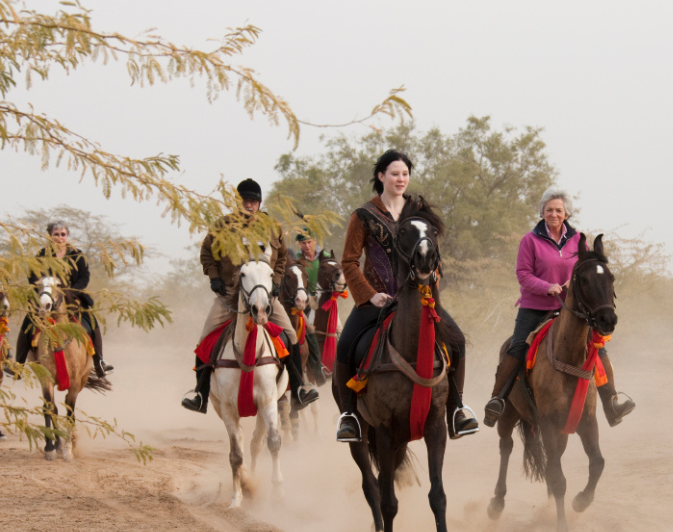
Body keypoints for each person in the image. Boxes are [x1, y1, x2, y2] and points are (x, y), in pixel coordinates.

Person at [333, 150, 479, 443]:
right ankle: (349, 415)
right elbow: (349, 262)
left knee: (458, 341)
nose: (401, 179)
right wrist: (370, 295)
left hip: (420, 300)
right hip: (378, 301)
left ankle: (456, 409)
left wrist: (434, 280)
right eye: (395, 174)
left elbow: (433, 255)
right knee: (345, 347)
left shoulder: (418, 211)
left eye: (405, 174)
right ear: (381, 177)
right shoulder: (363, 215)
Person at [483, 187, 636, 427]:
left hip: (572, 310)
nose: (553, 214)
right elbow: (523, 274)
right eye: (549, 210)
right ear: (542, 212)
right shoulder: (530, 240)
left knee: (599, 349)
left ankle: (611, 402)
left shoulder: (577, 240)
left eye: (558, 210)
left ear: (566, 214)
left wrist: (572, 283)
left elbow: (585, 270)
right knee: (516, 348)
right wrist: (548, 287)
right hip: (535, 306)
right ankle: (497, 401)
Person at [181, 178, 319, 413]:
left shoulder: (273, 227)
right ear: (238, 201)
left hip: (265, 296)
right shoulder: (221, 226)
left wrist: (275, 283)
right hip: (229, 296)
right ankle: (200, 395)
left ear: (259, 202)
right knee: (205, 339)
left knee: (291, 336)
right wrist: (214, 277)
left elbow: (283, 259)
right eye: (245, 200)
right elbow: (207, 254)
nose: (249, 204)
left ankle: (298, 390)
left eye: (254, 200)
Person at [11, 220, 114, 377]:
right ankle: (18, 365)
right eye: (56, 234)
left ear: (67, 236)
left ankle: (99, 361)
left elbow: (84, 277)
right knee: (29, 321)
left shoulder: (77, 255)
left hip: (72, 298)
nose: (60, 237)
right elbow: (32, 276)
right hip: (46, 297)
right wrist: (43, 288)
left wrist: (72, 291)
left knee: (91, 321)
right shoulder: (41, 255)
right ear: (50, 236)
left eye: (63, 234)